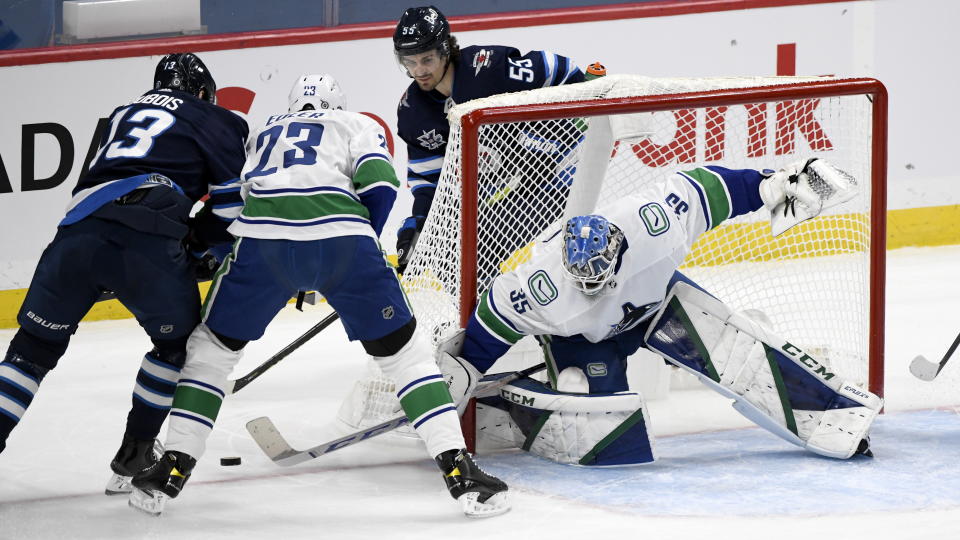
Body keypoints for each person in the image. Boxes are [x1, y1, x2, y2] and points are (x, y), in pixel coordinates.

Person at [127, 74, 510, 519]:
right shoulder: (353, 122)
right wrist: (358, 247)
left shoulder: (268, 127)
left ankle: (170, 470)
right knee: (406, 358)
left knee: (211, 351)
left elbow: (236, 196)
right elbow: (381, 185)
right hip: (343, 239)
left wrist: (245, 259)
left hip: (262, 242)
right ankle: (460, 474)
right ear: (337, 101)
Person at [439, 157, 883, 466]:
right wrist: (462, 378)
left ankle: (833, 416)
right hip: (582, 340)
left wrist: (777, 184)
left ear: (619, 250)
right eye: (584, 283)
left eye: (600, 277)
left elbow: (713, 188)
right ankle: (502, 411)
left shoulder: (653, 222)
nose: (592, 289)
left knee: (741, 347)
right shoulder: (543, 287)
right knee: (610, 442)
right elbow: (489, 328)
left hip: (656, 305)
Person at [0, 53, 248, 492]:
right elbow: (229, 208)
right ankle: (136, 450)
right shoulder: (217, 119)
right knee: (177, 347)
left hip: (77, 234)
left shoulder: (122, 114)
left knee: (30, 351)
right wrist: (196, 243)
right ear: (205, 93)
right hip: (149, 238)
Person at [392, 5, 586, 273]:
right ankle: (477, 313)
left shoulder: (487, 69)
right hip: (513, 179)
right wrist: (419, 222)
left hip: (558, 172)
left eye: (426, 59)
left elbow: (564, 71)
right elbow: (429, 180)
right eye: (410, 62)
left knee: (481, 246)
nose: (419, 71)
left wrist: (552, 135)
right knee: (447, 253)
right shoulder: (414, 111)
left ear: (445, 50)